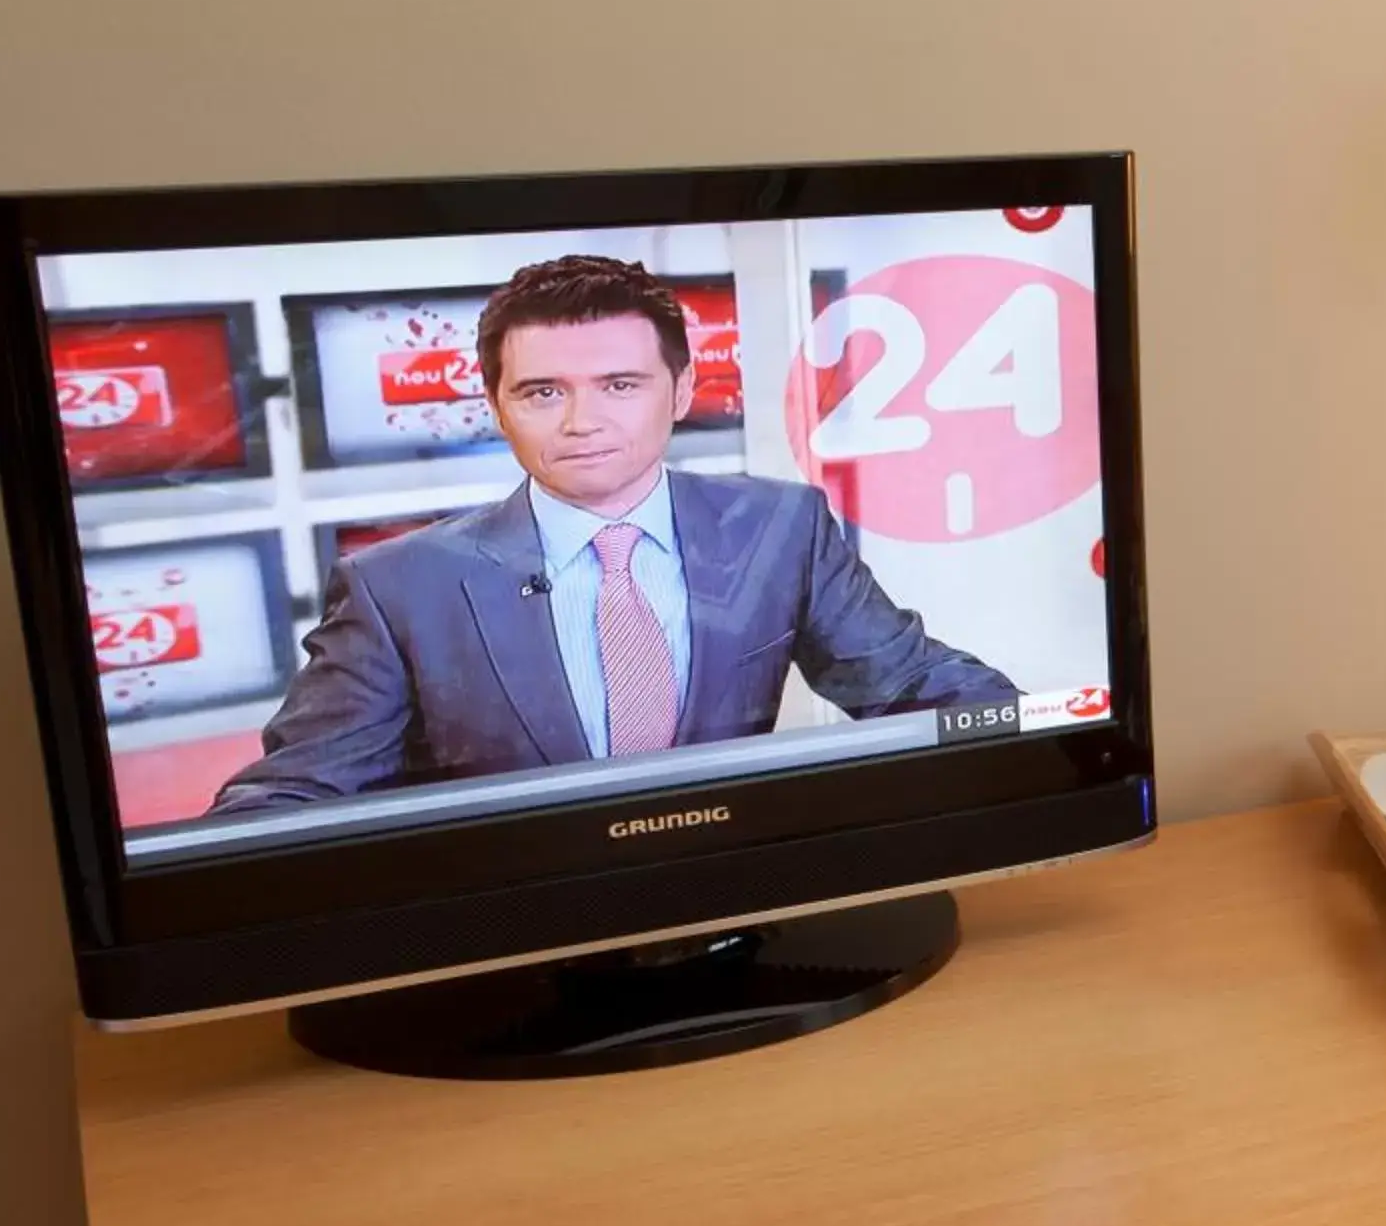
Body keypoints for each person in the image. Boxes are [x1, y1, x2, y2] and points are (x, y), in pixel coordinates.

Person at [211, 256, 1012, 814]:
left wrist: (1060, 739)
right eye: (542, 391)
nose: (582, 421)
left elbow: (913, 687)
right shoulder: (399, 586)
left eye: (619, 385)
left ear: (683, 390)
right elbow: (295, 793)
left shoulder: (779, 525)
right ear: (495, 408)